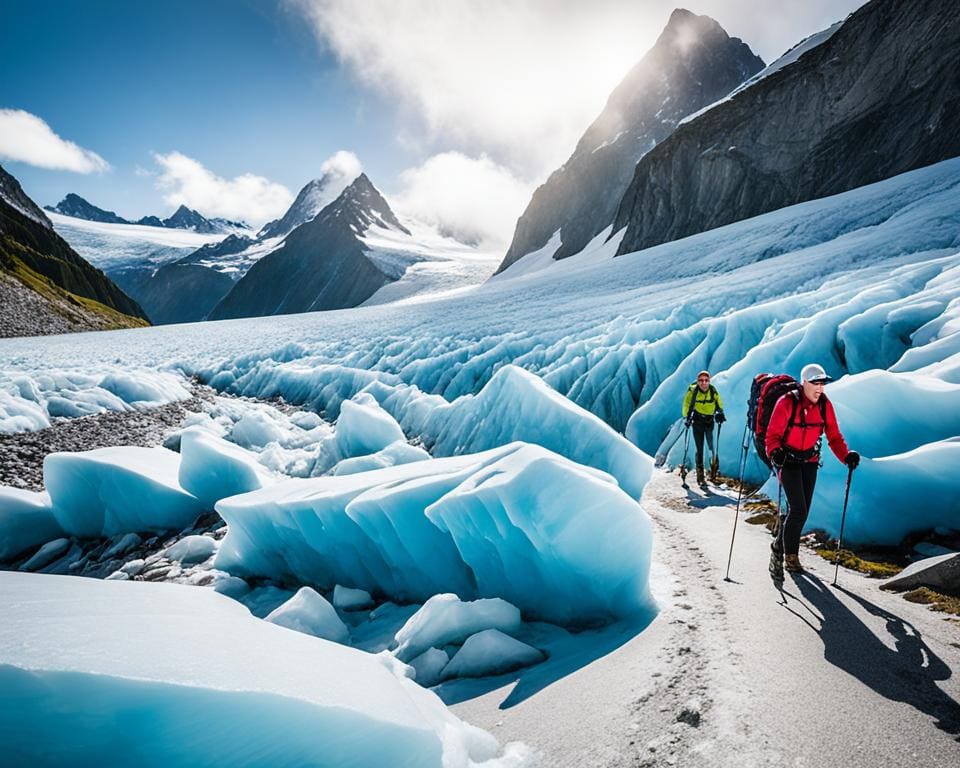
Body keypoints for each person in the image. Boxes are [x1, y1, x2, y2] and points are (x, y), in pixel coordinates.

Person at [766, 363, 860, 574]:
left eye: (823, 383)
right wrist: (775, 452)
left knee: (801, 511)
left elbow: (834, 437)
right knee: (798, 509)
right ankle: (790, 558)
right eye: (816, 383)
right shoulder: (786, 402)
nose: (820, 388)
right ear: (804, 383)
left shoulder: (825, 406)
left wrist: (846, 456)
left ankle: (778, 545)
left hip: (809, 461)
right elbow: (771, 437)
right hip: (787, 461)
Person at [681, 370, 725, 485]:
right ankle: (700, 476)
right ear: (697, 381)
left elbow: (719, 403)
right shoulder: (693, 392)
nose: (703, 383)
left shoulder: (712, 391)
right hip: (698, 422)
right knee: (699, 448)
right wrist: (687, 418)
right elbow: (686, 404)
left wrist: (720, 413)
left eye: (706, 380)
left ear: (709, 381)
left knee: (711, 447)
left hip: (709, 421)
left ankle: (713, 471)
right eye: (701, 380)